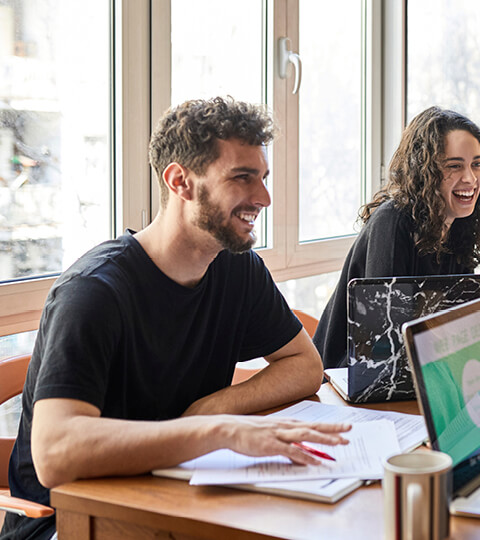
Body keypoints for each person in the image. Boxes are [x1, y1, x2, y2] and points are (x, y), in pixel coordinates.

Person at [1, 97, 351, 540]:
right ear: (180, 181)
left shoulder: (234, 267)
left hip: (171, 494)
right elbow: (54, 453)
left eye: (262, 178)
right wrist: (213, 431)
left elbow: (305, 366)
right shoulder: (93, 293)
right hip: (69, 522)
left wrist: (210, 410)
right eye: (242, 178)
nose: (263, 197)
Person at [313, 106, 480, 369]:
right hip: (345, 381)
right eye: (454, 166)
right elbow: (382, 343)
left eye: (477, 164)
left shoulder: (459, 227)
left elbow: (455, 332)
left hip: (412, 376)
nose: (470, 178)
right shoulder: (392, 222)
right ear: (424, 171)